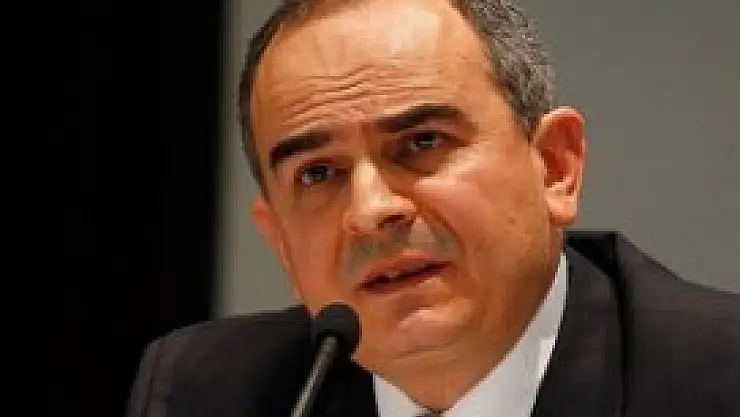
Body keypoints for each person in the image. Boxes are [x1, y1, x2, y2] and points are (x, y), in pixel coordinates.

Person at [125, 0, 740, 416]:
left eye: (422, 143)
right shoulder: (208, 392)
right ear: (281, 242)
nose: (371, 210)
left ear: (555, 166)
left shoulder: (716, 377)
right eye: (317, 173)